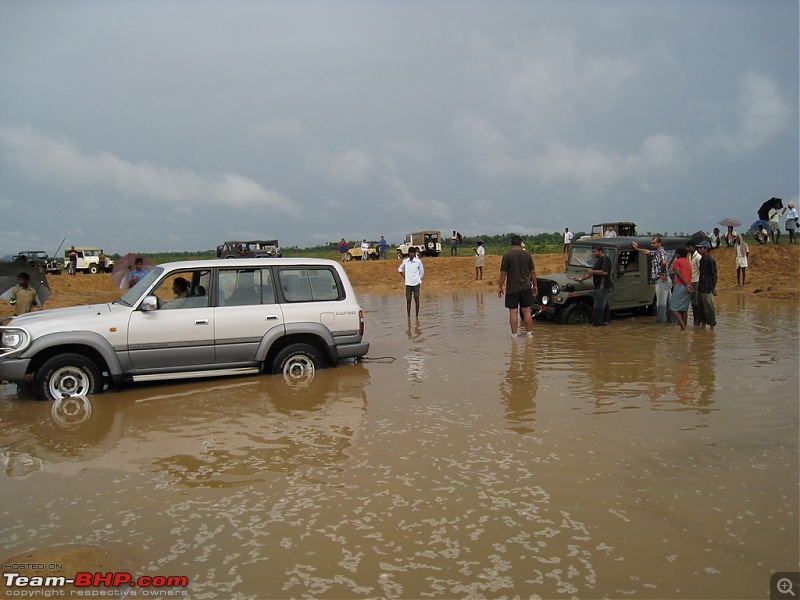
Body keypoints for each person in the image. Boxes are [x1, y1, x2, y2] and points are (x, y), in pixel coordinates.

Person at [498, 235, 537, 339]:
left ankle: (514, 336)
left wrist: (500, 287)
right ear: (520, 244)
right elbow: (532, 272)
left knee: (513, 312)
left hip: (512, 288)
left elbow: (503, 273)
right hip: (525, 287)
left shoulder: (507, 255)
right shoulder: (527, 255)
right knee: (527, 311)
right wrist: (535, 285)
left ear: (511, 244)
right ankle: (529, 334)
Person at [632, 237, 670, 323]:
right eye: (651, 243)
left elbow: (664, 262)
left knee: (661, 304)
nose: (652, 245)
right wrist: (637, 248)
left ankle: (660, 324)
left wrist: (663, 273)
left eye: (654, 243)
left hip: (661, 281)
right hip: (664, 280)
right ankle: (672, 322)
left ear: (659, 244)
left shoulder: (661, 252)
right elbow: (647, 252)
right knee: (667, 303)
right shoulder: (656, 252)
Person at [572, 245, 612, 327]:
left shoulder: (605, 259)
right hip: (599, 286)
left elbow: (605, 272)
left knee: (598, 306)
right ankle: (606, 323)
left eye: (595, 252)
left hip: (603, 286)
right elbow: (591, 273)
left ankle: (597, 325)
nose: (593, 253)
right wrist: (581, 279)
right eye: (592, 252)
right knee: (604, 305)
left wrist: (593, 271)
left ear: (600, 251)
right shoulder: (598, 260)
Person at [669, 247, 693, 331]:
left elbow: (677, 273)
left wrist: (685, 284)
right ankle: (684, 328)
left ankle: (682, 326)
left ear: (678, 254)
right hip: (689, 286)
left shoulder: (677, 261)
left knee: (673, 308)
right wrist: (688, 284)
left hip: (680, 285)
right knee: (684, 309)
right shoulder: (688, 262)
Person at [695, 240, 717, 330]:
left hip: (708, 287)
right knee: (701, 308)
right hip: (701, 286)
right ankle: (703, 325)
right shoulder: (701, 260)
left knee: (709, 308)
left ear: (706, 249)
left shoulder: (711, 260)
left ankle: (711, 327)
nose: (699, 250)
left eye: (701, 248)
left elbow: (714, 275)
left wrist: (713, 287)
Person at [398, 246, 424, 318]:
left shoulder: (418, 262)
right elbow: (400, 269)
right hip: (408, 283)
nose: (412, 254)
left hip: (416, 283)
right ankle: (408, 316)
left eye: (413, 253)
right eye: (410, 253)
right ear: (408, 253)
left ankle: (416, 316)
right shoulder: (405, 261)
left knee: (416, 299)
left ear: (415, 253)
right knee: (408, 300)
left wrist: (418, 279)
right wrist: (404, 277)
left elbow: (421, 272)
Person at [686, 242, 702, 326]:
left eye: (689, 247)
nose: (687, 249)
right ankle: (696, 321)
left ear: (693, 247)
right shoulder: (689, 256)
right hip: (691, 281)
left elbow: (700, 269)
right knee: (693, 303)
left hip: (696, 281)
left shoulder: (698, 257)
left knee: (695, 303)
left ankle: (697, 320)